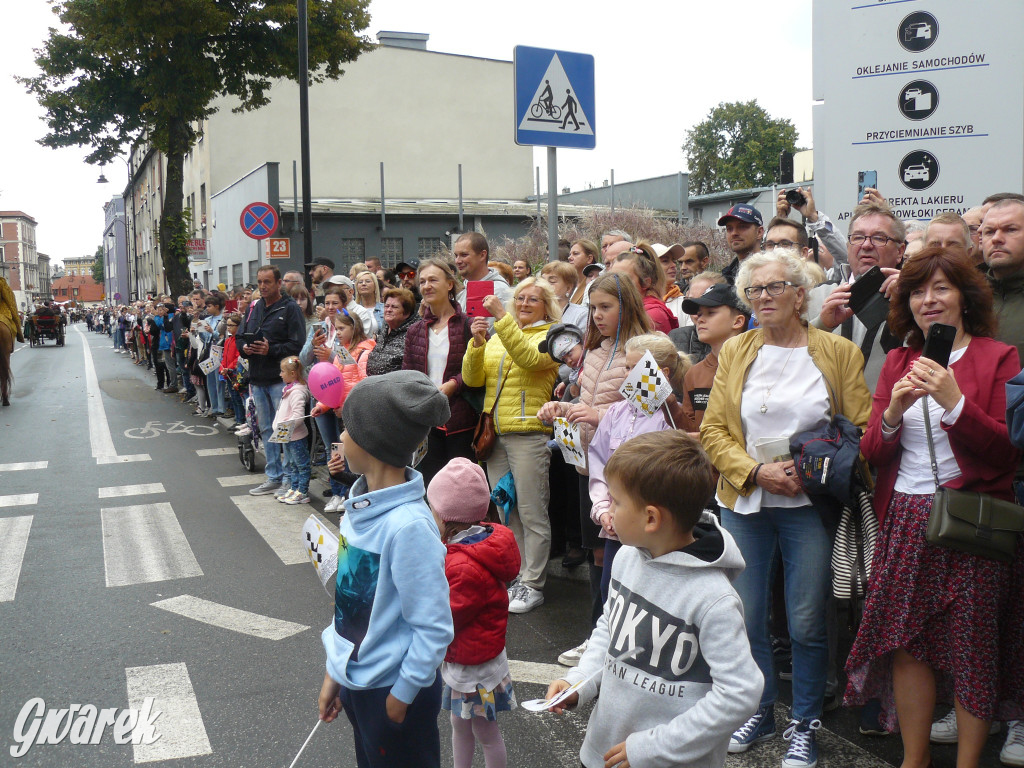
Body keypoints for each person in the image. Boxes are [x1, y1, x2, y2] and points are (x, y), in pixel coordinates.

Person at [844, 246, 1022, 768]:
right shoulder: (899, 359)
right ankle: (913, 759)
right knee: (908, 643)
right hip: (905, 516)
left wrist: (955, 403)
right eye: (918, 291)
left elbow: (1008, 451)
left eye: (941, 288)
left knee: (973, 647)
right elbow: (873, 451)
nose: (929, 300)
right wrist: (895, 412)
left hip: (972, 518)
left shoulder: (997, 356)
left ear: (964, 298)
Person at [700, 249, 871, 767]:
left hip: (809, 505)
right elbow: (712, 430)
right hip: (746, 500)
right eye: (755, 290)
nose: (765, 297)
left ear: (801, 295)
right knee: (747, 616)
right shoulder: (736, 350)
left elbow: (857, 427)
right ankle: (761, 709)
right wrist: (755, 471)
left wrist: (814, 469)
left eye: (776, 288)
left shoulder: (837, 352)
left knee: (806, 620)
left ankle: (805, 722)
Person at [544, 430, 763, 768]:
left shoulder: (714, 598)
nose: (608, 508)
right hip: (606, 752)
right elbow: (610, 630)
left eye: (616, 501)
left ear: (651, 518)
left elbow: (740, 693)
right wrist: (579, 683)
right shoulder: (627, 558)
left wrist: (656, 747)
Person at [318, 371, 454, 768]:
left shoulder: (408, 526)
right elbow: (349, 609)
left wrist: (402, 694)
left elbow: (434, 626)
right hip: (359, 683)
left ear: (373, 443)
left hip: (393, 691)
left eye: (347, 429)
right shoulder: (359, 510)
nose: (339, 437)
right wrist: (335, 673)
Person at [537, 274, 652, 663]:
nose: (598, 316)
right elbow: (584, 402)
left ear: (628, 306)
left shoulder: (642, 353)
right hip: (589, 468)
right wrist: (564, 409)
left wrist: (597, 414)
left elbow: (651, 414)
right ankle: (597, 636)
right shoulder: (595, 352)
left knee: (624, 558)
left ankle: (618, 643)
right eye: (593, 308)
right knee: (598, 555)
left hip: (630, 473)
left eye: (607, 307)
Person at [462, 277, 561, 614]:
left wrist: (501, 318)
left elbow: (531, 361)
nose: (524, 304)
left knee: (533, 511)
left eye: (533, 299)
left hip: (529, 433)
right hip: (497, 434)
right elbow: (474, 380)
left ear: (547, 306)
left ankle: (533, 584)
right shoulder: (500, 334)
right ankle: (518, 576)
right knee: (507, 509)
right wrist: (476, 345)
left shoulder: (553, 336)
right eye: (520, 298)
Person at [428, 458, 520, 768]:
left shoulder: (464, 565)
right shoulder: (473, 543)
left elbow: (448, 616)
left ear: (449, 520)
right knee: (460, 725)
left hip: (474, 668)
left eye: (433, 511)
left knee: (485, 732)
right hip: (473, 656)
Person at [587, 333, 691, 606]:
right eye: (627, 366)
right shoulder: (616, 412)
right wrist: (601, 508)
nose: (628, 373)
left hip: (653, 532)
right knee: (610, 593)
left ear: (662, 373)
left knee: (649, 598)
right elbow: (599, 465)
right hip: (615, 526)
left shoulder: (670, 418)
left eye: (635, 367)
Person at [811, 202, 908, 391]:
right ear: (848, 247)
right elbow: (791, 357)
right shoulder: (815, 296)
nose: (866, 245)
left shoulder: (916, 300)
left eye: (879, 238)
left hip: (888, 416)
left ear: (900, 251)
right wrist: (822, 325)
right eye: (858, 237)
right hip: (824, 417)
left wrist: (908, 303)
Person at [401, 258, 476, 488]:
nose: (426, 286)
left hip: (460, 422)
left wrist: (454, 383)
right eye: (422, 281)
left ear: (450, 284)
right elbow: (407, 374)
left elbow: (481, 370)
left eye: (433, 279)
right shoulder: (415, 330)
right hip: (426, 422)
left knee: (460, 490)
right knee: (430, 488)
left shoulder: (469, 324)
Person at [239, 265, 307, 497]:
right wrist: (245, 348)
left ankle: (289, 478)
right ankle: (273, 477)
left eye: (267, 282)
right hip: (258, 378)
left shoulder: (289, 309)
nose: (263, 286)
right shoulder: (254, 307)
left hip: (281, 380)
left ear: (279, 283)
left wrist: (272, 349)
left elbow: (298, 345)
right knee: (267, 428)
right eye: (259, 282)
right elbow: (239, 336)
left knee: (285, 430)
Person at [311, 309, 376, 512]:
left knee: (354, 458)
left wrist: (347, 407)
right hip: (341, 412)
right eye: (336, 329)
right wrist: (322, 405)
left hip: (354, 414)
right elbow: (334, 382)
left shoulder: (365, 351)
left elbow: (363, 383)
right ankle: (340, 493)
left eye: (342, 328)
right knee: (339, 452)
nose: (337, 333)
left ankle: (352, 495)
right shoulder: (341, 352)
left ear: (354, 328)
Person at [679, 283, 750, 432]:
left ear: (738, 321)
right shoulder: (694, 373)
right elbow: (692, 430)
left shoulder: (756, 365)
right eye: (699, 314)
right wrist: (670, 405)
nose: (700, 319)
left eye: (710, 313)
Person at [610, 242, 679, 333]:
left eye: (624, 279)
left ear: (646, 283)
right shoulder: (620, 309)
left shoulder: (652, 315)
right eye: (612, 277)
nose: (616, 283)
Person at [274, 356, 311, 505]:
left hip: (295, 436)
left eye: (283, 371)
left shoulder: (296, 392)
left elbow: (298, 416)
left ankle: (302, 491)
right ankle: (295, 488)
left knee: (301, 464)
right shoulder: (288, 390)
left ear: (293, 374)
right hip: (288, 436)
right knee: (293, 464)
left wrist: (284, 426)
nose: (280, 374)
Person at [453, 233, 513, 324]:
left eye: (464, 255)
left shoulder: (499, 291)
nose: (457, 261)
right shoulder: (461, 292)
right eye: (456, 255)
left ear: (482, 255)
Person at [366, 287, 418, 376]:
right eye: (386, 306)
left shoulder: (413, 333)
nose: (388, 310)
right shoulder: (385, 328)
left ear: (406, 313)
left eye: (394, 307)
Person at [718, 204, 764, 285]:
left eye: (742, 227)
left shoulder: (772, 270)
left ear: (759, 232)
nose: (734, 233)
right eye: (729, 229)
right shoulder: (726, 277)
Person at [540, 260, 588, 329]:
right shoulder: (534, 311)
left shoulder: (581, 315)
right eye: (542, 280)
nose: (544, 285)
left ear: (568, 288)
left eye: (552, 281)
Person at [200, 294, 226, 417]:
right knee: (210, 381)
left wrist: (212, 332)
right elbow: (205, 338)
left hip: (219, 352)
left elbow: (221, 337)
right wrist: (200, 332)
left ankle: (221, 407)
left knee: (219, 381)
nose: (207, 309)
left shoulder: (222, 319)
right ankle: (214, 406)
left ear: (217, 306)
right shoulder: (208, 319)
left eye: (209, 306)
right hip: (210, 352)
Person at [220, 313, 247, 431]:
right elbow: (224, 356)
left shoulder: (239, 340)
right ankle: (238, 419)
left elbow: (238, 357)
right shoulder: (228, 340)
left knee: (238, 397)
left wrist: (229, 368)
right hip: (228, 373)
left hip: (235, 373)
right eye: (228, 325)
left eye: (231, 325)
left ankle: (241, 420)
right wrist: (223, 368)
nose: (228, 327)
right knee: (233, 397)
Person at [0, 275, 23, 407]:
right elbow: (10, 302)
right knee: (5, 362)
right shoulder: (2, 282)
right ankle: (5, 394)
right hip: (3, 314)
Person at [567, 239, 599, 304]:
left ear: (589, 258)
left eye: (575, 254)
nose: (570, 258)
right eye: (570, 254)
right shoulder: (568, 283)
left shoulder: (595, 285)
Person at [354, 270, 384, 334]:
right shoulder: (352, 310)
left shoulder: (385, 309)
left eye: (368, 281)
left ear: (375, 285)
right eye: (360, 282)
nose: (363, 284)